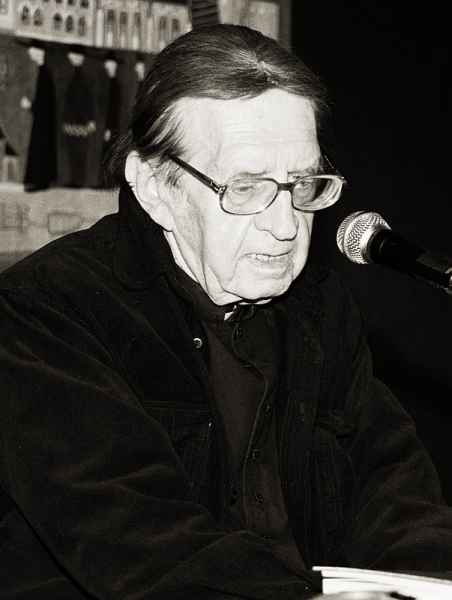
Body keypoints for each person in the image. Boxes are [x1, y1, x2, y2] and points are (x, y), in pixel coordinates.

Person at [0, 24, 451, 600]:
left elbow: (393, 491)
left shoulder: (318, 306)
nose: (286, 226)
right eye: (245, 188)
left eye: (304, 184)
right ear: (155, 187)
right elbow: (145, 549)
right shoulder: (47, 312)